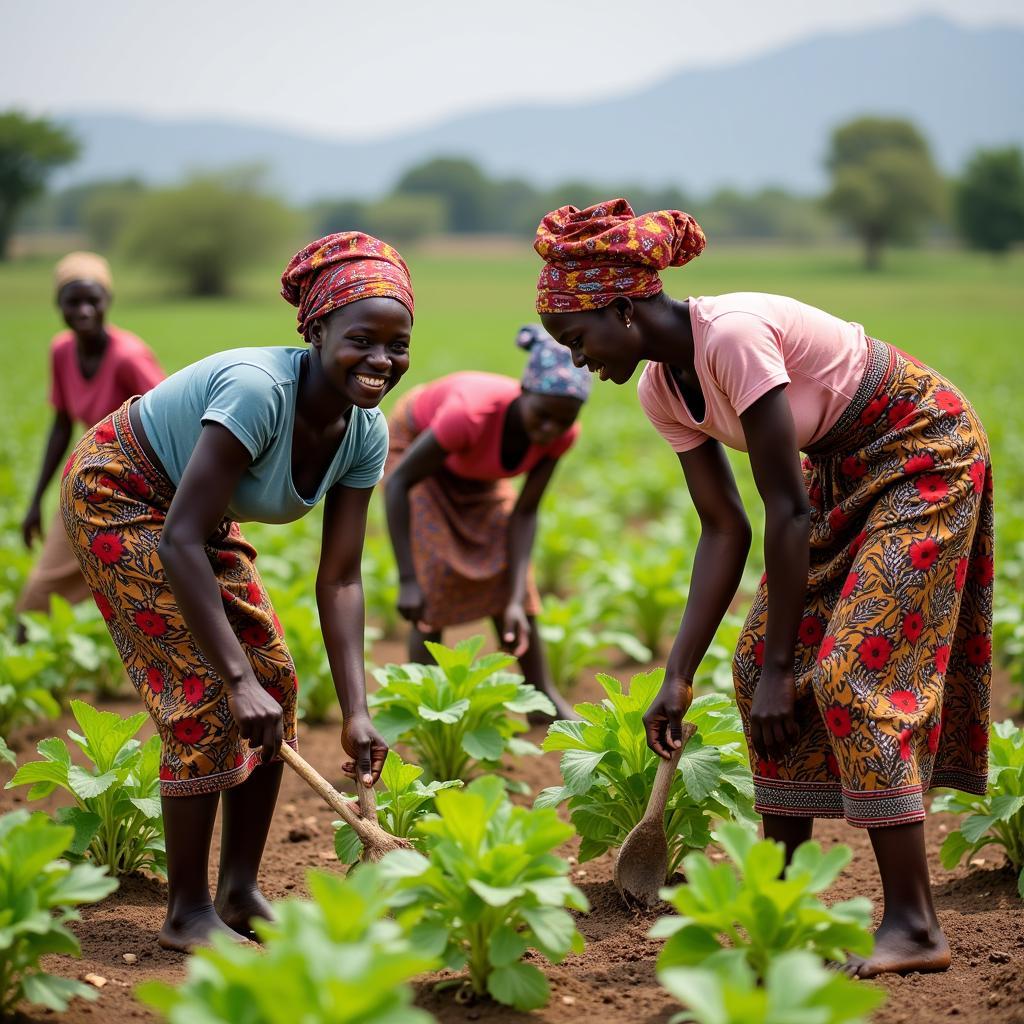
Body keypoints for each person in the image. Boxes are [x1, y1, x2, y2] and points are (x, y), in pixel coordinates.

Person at [533, 199, 993, 978]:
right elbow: (727, 529)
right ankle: (777, 899)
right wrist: (679, 676)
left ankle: (915, 925)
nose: (579, 361)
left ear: (622, 307)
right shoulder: (660, 391)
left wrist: (792, 667)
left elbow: (785, 509)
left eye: (579, 340)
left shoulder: (734, 336)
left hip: (924, 452)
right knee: (751, 670)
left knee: (854, 672)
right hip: (841, 472)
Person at [60, 232, 411, 951]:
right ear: (316, 331)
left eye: (398, 344)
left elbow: (341, 575)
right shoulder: (260, 391)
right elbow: (179, 540)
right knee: (205, 694)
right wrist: (233, 675)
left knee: (275, 682)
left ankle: (239, 891)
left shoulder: (364, 432)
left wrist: (356, 712)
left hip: (190, 513)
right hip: (118, 494)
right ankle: (186, 911)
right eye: (361, 339)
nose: (381, 361)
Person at [384, 325, 591, 720]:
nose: (549, 430)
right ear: (524, 392)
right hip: (416, 452)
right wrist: (408, 578)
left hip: (472, 465)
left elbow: (524, 513)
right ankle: (426, 708)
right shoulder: (469, 415)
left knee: (515, 580)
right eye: (543, 416)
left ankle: (542, 699)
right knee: (434, 582)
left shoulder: (560, 435)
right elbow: (400, 485)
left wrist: (512, 599)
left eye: (562, 422)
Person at [17, 252, 164, 636]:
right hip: (88, 483)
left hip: (139, 487)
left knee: (154, 596)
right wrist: (36, 501)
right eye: (73, 301)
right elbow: (61, 425)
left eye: (92, 300)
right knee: (37, 600)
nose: (83, 310)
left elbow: (170, 419)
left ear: (107, 302)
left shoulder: (128, 357)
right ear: (58, 305)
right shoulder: (61, 350)